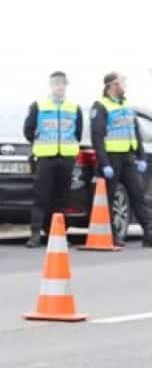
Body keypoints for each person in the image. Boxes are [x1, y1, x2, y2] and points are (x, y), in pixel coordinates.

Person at [89, 71, 152, 247]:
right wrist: (105, 163)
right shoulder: (100, 106)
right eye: (122, 82)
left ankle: (149, 232)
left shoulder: (126, 105)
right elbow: (97, 137)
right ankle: (112, 235)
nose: (125, 85)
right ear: (112, 85)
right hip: (111, 158)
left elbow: (136, 133)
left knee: (138, 194)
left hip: (128, 157)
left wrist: (140, 157)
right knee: (108, 198)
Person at [22, 72, 82, 248]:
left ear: (66, 86)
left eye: (63, 84)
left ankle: (58, 234)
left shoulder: (74, 107)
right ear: (51, 85)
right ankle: (35, 234)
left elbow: (78, 132)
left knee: (62, 198)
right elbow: (28, 130)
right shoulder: (38, 106)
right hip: (45, 157)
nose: (60, 87)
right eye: (56, 83)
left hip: (66, 158)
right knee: (41, 196)